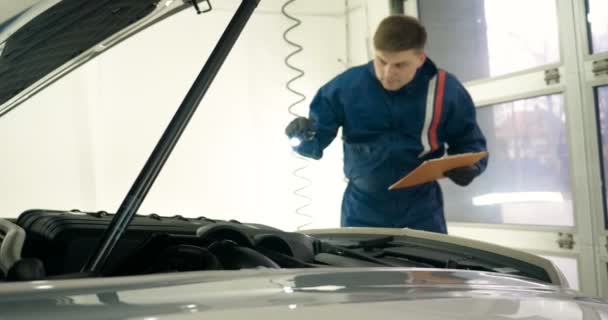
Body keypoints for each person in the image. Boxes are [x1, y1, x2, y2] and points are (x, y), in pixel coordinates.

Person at [284, 15, 487, 234]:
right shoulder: (345, 88)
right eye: (381, 61)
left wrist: (471, 168)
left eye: (400, 65)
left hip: (422, 208)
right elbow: (313, 145)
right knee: (362, 268)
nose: (388, 73)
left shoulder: (445, 90)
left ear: (420, 59)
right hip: (363, 207)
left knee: (428, 267)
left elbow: (470, 143)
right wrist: (301, 135)